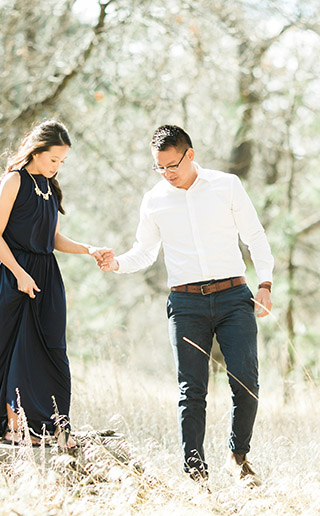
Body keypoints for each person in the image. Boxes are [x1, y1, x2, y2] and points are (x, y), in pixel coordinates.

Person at [99, 125, 274, 484]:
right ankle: (196, 475)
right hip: (186, 304)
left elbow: (254, 235)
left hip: (233, 298)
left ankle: (238, 457)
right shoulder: (155, 199)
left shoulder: (227, 186)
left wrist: (266, 284)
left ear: (190, 155)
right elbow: (145, 252)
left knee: (246, 382)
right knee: (191, 391)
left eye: (172, 165)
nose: (166, 174)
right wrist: (117, 263)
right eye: (159, 168)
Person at [0, 120, 107, 448]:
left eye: (62, 162)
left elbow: (52, 238)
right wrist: (20, 274)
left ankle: (55, 426)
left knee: (52, 351)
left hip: (47, 276)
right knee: (17, 350)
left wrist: (88, 249)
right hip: (15, 274)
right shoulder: (14, 181)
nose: (57, 167)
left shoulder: (50, 185)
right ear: (36, 152)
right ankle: (15, 427)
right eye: (54, 160)